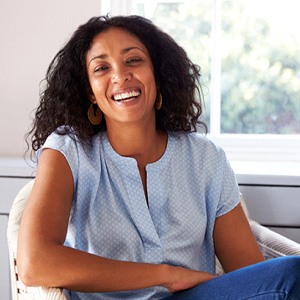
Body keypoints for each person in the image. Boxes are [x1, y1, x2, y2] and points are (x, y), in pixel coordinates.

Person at [17, 15, 300, 300]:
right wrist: (167, 275)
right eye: (101, 67)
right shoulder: (69, 151)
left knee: (293, 274)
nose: (120, 75)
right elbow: (34, 263)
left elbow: (256, 278)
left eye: (134, 60)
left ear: (158, 73)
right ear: (90, 92)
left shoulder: (204, 158)